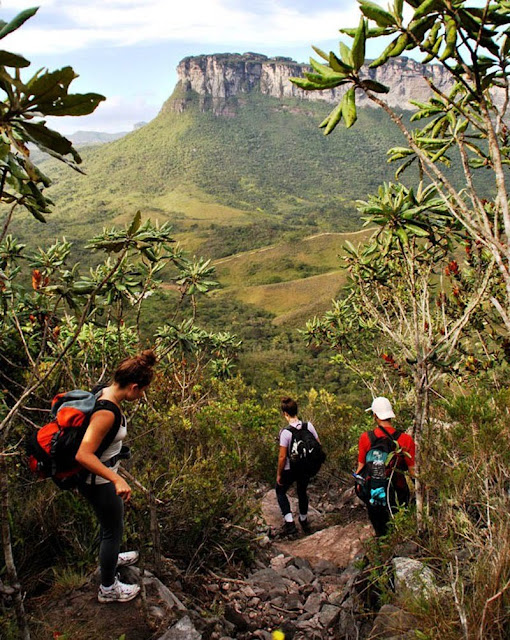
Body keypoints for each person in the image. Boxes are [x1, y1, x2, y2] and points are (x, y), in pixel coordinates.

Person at [75, 349, 156, 603]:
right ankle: (108, 589)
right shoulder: (107, 412)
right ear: (133, 387)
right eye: (142, 391)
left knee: (109, 525)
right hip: (98, 481)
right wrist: (116, 479)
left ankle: (110, 557)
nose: (141, 395)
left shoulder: (104, 390)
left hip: (100, 477)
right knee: (113, 530)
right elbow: (83, 454)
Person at [356, 396, 415, 537]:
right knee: (400, 529)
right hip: (398, 491)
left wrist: (359, 488)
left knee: (381, 531)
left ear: (375, 415)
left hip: (374, 490)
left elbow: (361, 467)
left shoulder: (366, 437)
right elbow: (413, 472)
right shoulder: (406, 439)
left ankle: (381, 550)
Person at [275, 397, 320, 537]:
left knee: (280, 491)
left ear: (285, 414)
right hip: (305, 467)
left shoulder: (286, 433)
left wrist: (279, 474)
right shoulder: (309, 426)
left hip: (290, 468)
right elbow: (318, 444)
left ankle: (290, 523)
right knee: (302, 492)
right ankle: (303, 519)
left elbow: (282, 457)